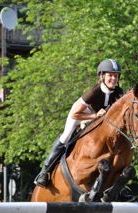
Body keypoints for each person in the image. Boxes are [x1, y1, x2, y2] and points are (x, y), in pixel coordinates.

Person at [34, 59, 124, 187]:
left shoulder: (119, 92)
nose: (113, 79)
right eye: (110, 75)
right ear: (102, 76)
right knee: (66, 137)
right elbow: (75, 114)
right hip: (81, 114)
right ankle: (44, 172)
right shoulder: (94, 92)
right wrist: (94, 116)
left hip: (98, 119)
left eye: (116, 76)